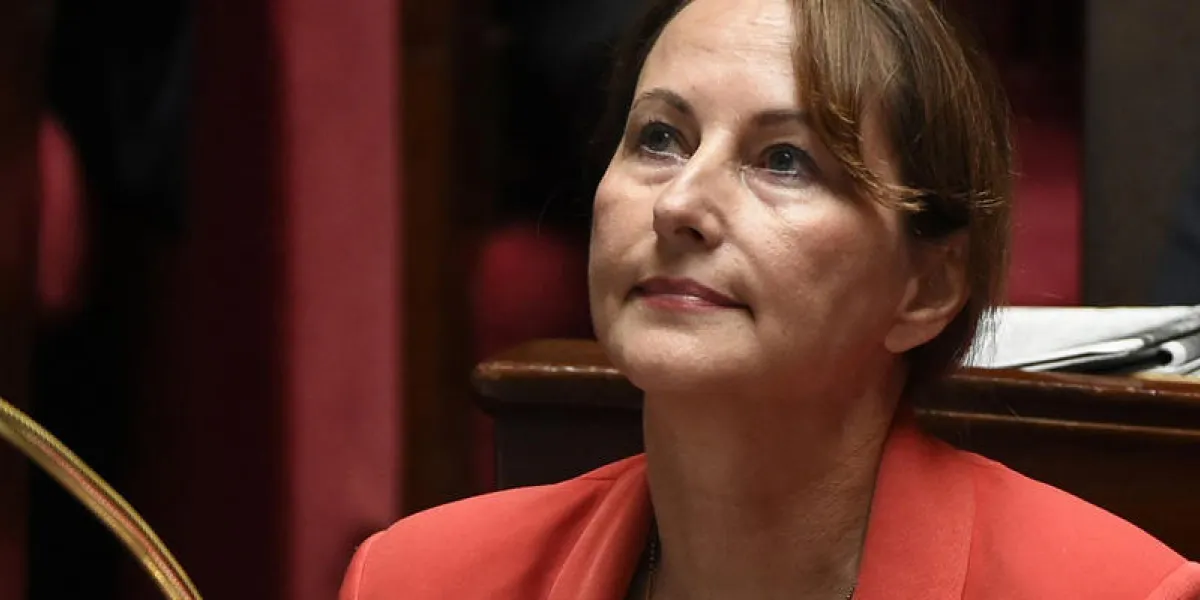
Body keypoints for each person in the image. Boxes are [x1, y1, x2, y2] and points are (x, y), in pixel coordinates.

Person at [341, 0, 1200, 597]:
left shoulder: (1122, 592)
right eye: (661, 138)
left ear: (928, 285)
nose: (678, 205)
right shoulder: (416, 580)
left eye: (784, 159)